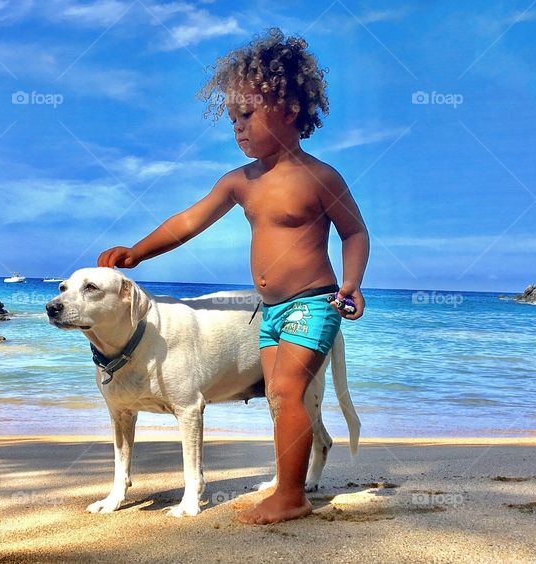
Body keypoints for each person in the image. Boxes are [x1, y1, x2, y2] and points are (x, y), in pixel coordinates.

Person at [97, 28, 369, 524]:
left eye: (247, 114)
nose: (237, 128)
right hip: (267, 312)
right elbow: (186, 223)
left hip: (314, 302)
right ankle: (291, 480)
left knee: (287, 391)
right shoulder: (239, 182)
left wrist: (351, 282)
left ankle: (291, 496)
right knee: (276, 398)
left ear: (288, 109)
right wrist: (136, 253)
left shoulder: (321, 178)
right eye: (232, 119)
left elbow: (355, 233)